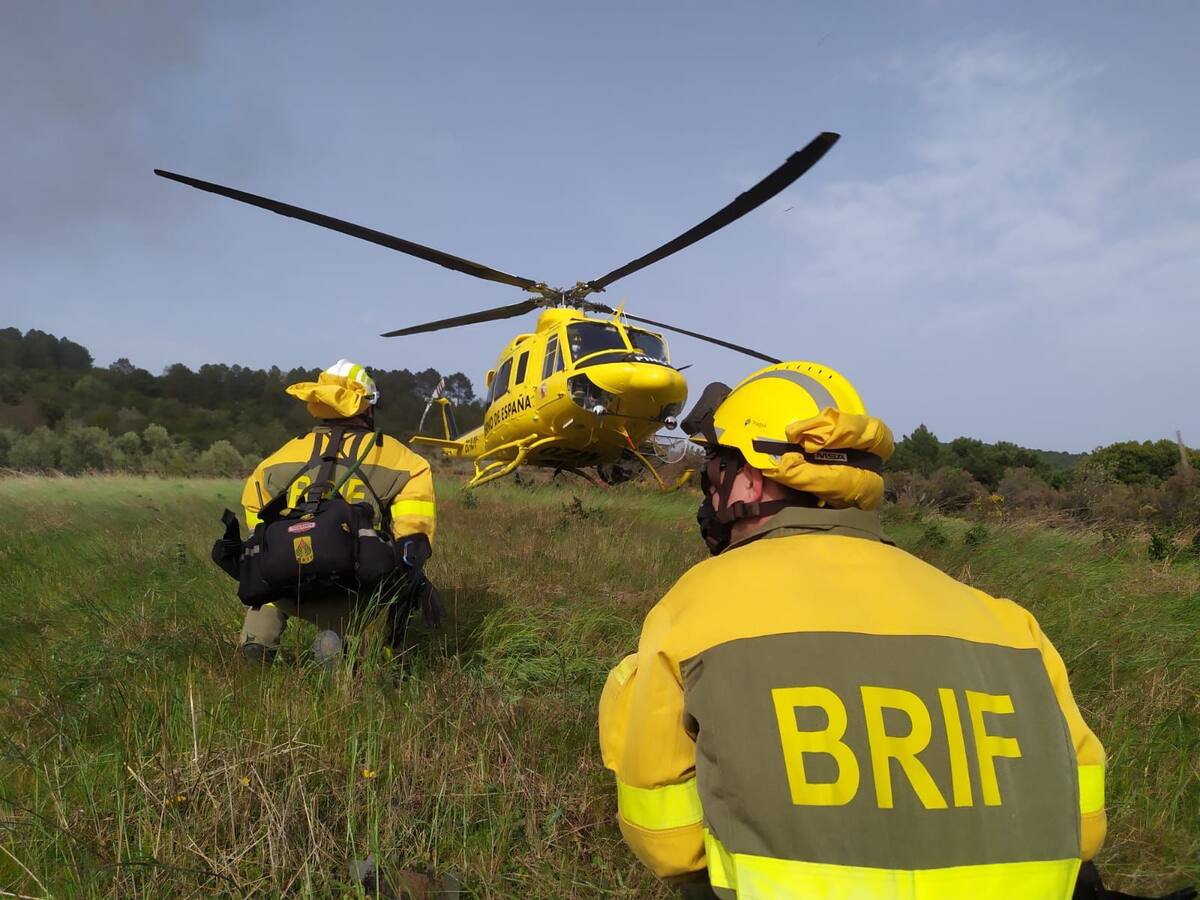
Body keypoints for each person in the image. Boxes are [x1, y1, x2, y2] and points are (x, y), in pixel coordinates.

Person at [597, 361, 1107, 899]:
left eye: (717, 466)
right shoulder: (1011, 625)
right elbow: (1086, 825)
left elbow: (669, 844)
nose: (710, 486)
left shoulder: (693, 611)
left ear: (749, 475)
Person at [237, 359, 438, 664]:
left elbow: (255, 522)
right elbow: (413, 537)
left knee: (266, 565)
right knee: (397, 572)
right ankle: (346, 641)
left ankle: (258, 641)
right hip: (353, 582)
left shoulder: (279, 457)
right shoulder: (404, 461)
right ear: (368, 407)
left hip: (287, 580)